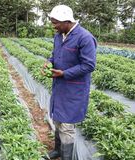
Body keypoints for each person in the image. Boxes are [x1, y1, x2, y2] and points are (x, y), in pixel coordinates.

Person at [42, 5, 97, 160]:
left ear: (67, 21)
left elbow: (89, 65)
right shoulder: (59, 36)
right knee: (57, 119)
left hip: (74, 89)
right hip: (60, 86)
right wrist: (49, 62)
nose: (54, 26)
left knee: (67, 126)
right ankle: (58, 150)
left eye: (56, 23)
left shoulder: (85, 38)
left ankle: (67, 157)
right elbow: (55, 55)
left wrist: (65, 73)